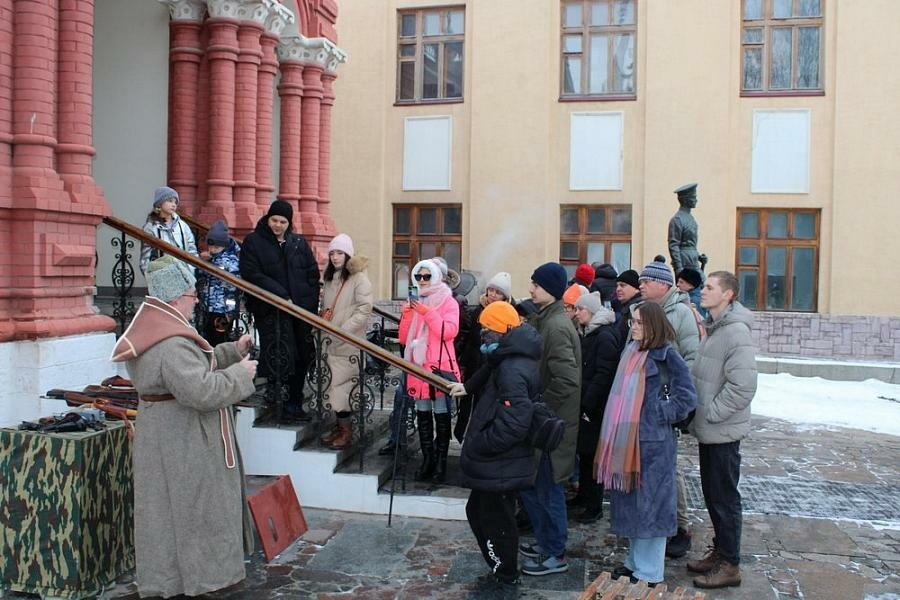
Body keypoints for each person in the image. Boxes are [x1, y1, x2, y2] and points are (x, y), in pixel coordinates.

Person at [110, 256, 258, 598]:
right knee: (193, 513)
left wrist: (231, 352)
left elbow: (195, 367)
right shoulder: (170, 343)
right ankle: (199, 580)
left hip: (170, 435)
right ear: (176, 298)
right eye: (192, 294)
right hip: (184, 439)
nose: (196, 300)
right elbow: (201, 391)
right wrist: (240, 375)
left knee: (168, 513)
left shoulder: (159, 333)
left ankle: (173, 580)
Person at [599, 302, 697, 586]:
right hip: (627, 441)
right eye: (633, 322)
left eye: (640, 322)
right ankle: (634, 563)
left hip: (654, 445)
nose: (634, 327)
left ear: (653, 325)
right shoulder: (631, 351)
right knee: (632, 505)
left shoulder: (667, 355)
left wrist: (657, 413)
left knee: (652, 507)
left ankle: (650, 572)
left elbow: (687, 397)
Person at [460, 301, 541, 593]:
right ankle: (502, 570)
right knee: (481, 512)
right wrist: (467, 387)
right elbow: (488, 370)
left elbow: (515, 424)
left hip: (501, 460)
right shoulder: (507, 356)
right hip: (500, 460)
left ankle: (506, 575)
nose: (482, 334)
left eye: (487, 329)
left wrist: (480, 443)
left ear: (502, 331)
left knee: (495, 520)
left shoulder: (512, 368)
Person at [688, 272, 757, 589]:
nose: (703, 291)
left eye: (710, 287)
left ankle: (730, 564)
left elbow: (743, 386)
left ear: (728, 295)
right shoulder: (715, 328)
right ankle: (721, 552)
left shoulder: (736, 332)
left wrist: (712, 412)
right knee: (713, 495)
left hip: (723, 430)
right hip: (710, 428)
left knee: (725, 499)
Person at [518, 262, 581, 577]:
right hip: (547, 425)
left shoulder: (556, 327)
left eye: (536, 284)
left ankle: (555, 552)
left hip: (552, 428)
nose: (531, 289)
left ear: (551, 290)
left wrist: (540, 407)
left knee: (548, 489)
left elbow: (567, 381)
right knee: (535, 487)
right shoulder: (547, 319)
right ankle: (546, 542)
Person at [638, 260, 701, 558]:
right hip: (643, 406)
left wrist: (673, 405)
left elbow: (691, 359)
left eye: (646, 281)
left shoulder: (681, 313)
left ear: (663, 285)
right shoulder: (641, 311)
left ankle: (679, 526)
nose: (641, 286)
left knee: (670, 469)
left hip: (664, 405)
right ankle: (653, 524)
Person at [239, 200, 320, 423]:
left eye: (283, 222)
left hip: (299, 313)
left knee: (303, 355)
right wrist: (281, 295)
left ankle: (294, 403)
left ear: (289, 223)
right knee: (280, 355)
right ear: (268, 218)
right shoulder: (254, 242)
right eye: (274, 220)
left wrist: (308, 306)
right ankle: (278, 403)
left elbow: (312, 274)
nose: (278, 225)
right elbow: (251, 273)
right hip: (271, 311)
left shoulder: (297, 243)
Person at [398, 259, 461, 483]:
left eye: (426, 276)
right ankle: (428, 460)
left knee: (441, 415)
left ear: (435, 277)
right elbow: (404, 339)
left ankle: (441, 463)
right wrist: (408, 315)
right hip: (418, 367)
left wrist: (427, 312)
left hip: (438, 367)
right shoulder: (414, 302)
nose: (422, 280)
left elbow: (449, 331)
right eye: (418, 276)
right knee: (423, 415)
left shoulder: (448, 301)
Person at [568, 292, 623, 524]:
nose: (576, 313)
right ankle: (584, 496)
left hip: (596, 407)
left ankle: (594, 505)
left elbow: (604, 374)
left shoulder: (604, 336)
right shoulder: (589, 332)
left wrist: (587, 403)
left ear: (590, 311)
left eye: (580, 309)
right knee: (585, 453)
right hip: (587, 403)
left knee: (593, 456)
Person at [317, 234, 374, 450]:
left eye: (339, 253)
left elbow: (364, 308)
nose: (335, 257)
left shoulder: (359, 278)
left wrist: (344, 330)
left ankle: (346, 431)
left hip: (347, 342)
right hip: (330, 341)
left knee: (344, 389)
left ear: (348, 254)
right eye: (332, 253)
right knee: (332, 387)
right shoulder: (331, 277)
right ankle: (338, 427)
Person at [197, 219, 241, 346]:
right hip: (209, 306)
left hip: (223, 309)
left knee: (220, 339)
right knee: (208, 337)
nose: (213, 249)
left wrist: (212, 263)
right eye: (210, 246)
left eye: (216, 247)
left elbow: (233, 278)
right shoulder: (210, 258)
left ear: (224, 245)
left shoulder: (230, 260)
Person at [140, 185, 197, 275]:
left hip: (184, 274)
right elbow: (146, 257)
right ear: (159, 204)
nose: (173, 205)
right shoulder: (151, 227)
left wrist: (190, 270)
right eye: (170, 201)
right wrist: (150, 276)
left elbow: (192, 250)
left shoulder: (182, 225)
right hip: (162, 276)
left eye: (175, 202)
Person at [667, 183, 705, 273]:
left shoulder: (690, 218)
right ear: (685, 199)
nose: (696, 200)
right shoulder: (677, 219)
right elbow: (674, 245)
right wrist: (679, 268)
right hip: (684, 263)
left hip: (693, 262)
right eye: (693, 197)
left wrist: (699, 257)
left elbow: (690, 244)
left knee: (704, 281)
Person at [615, 269, 642, 340]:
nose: (618, 289)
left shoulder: (637, 309)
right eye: (617, 286)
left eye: (622, 285)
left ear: (636, 289)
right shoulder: (626, 307)